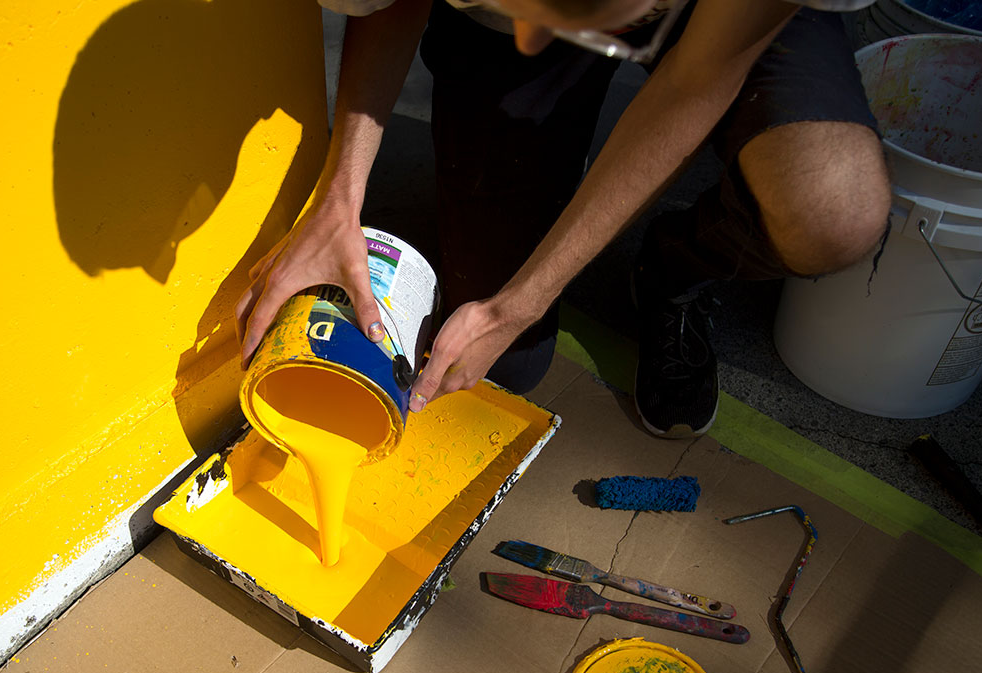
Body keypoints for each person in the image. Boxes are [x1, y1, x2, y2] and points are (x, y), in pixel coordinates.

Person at [235, 0, 890, 438]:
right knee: (509, 370)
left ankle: (674, 267)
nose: (529, 37)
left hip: (729, 21)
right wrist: (339, 196)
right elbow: (390, 2)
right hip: (518, 25)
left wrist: (522, 303)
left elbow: (698, 81)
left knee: (833, 212)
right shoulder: (520, 24)